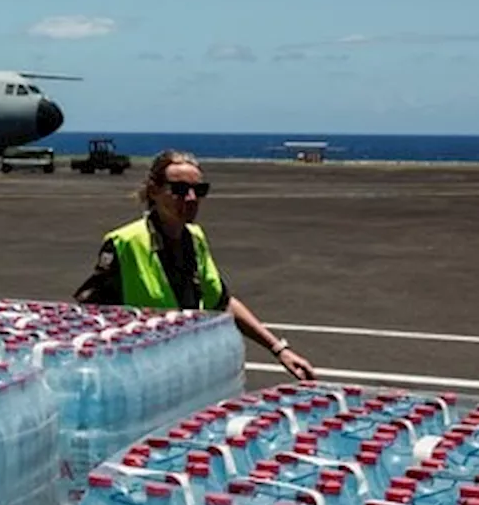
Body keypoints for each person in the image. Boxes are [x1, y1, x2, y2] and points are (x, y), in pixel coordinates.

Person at [72, 149, 317, 380]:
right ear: (154, 191)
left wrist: (279, 349)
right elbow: (91, 316)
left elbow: (222, 301)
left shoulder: (195, 238)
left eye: (199, 190)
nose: (190, 198)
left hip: (187, 372)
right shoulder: (125, 243)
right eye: (179, 190)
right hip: (142, 377)